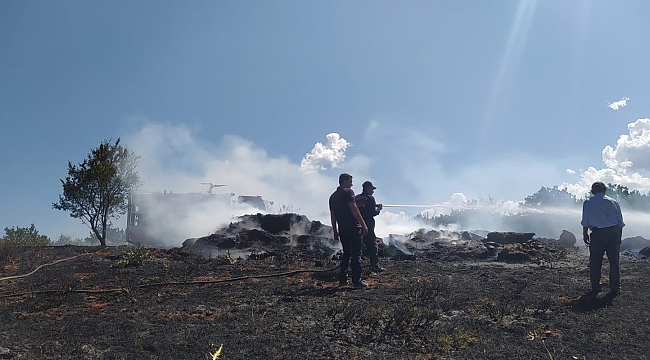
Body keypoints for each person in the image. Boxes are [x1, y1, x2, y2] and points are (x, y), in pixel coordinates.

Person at [581, 181, 625, 296]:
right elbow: (620, 222)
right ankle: (614, 287)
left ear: (592, 191)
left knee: (595, 261)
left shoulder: (588, 202)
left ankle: (596, 286)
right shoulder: (614, 202)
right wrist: (619, 236)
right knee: (614, 261)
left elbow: (585, 221)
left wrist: (585, 234)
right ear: (605, 190)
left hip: (597, 233)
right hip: (613, 232)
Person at [329, 173, 368, 288]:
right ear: (344, 181)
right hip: (354, 228)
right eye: (350, 181)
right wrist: (363, 224)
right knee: (357, 254)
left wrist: (335, 231)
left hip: (343, 230)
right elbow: (354, 208)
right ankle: (357, 281)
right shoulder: (348, 192)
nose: (352, 184)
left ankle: (343, 279)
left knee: (346, 254)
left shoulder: (333, 197)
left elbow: (333, 215)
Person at [355, 181, 384, 272]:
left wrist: (375, 205)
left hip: (357, 226)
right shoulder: (371, 198)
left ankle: (354, 267)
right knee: (373, 246)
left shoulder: (356, 198)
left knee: (357, 248)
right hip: (368, 227)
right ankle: (375, 266)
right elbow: (373, 212)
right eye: (372, 189)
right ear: (367, 188)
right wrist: (378, 209)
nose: (373, 191)